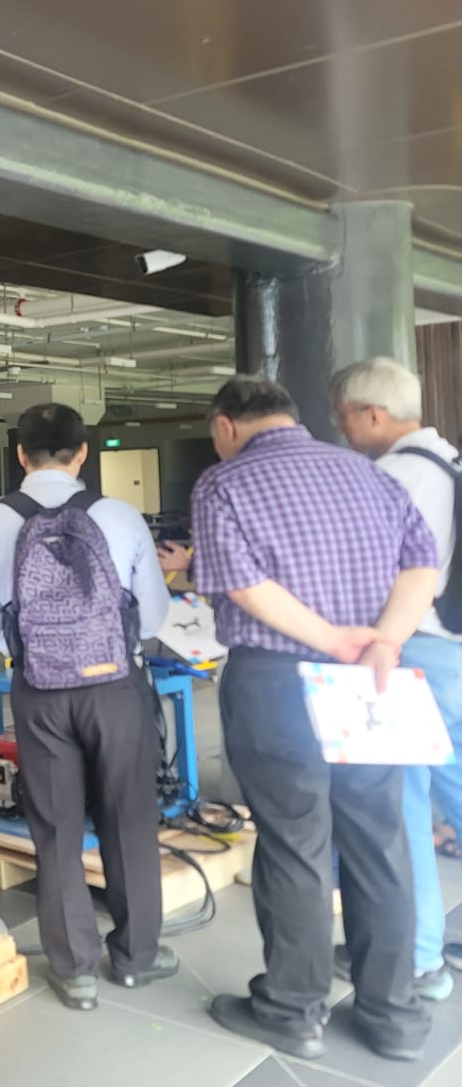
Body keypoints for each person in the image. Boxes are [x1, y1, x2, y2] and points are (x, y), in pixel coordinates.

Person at [193, 375, 436, 1063]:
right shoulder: (369, 474)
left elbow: (241, 582)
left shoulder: (224, 483)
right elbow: (423, 563)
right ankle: (394, 1015)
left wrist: (330, 639)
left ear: (225, 427)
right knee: (378, 839)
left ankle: (292, 1010)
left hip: (278, 682)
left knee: (294, 842)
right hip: (372, 679)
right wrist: (385, 640)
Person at [0, 403, 174, 1011]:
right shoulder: (119, 516)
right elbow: (153, 616)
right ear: (83, 452)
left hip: (38, 690)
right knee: (128, 816)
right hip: (115, 687)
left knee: (55, 826)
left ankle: (75, 970)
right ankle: (136, 956)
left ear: (20, 454)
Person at [332, 356, 460, 1003]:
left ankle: (416, 958)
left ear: (374, 414)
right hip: (453, 653)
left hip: (406, 651)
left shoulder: (390, 477)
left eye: (346, 418)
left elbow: (375, 577)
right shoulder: (450, 461)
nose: (344, 430)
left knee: (399, 801)